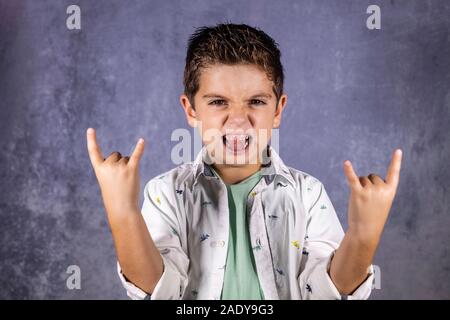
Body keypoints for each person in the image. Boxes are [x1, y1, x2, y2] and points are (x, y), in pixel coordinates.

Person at [86, 23, 402, 300]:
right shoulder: (166, 192)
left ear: (277, 110)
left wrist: (363, 233)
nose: (238, 121)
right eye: (218, 102)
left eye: (256, 102)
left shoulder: (307, 194)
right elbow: (158, 289)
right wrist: (123, 213)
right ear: (191, 110)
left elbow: (325, 291)